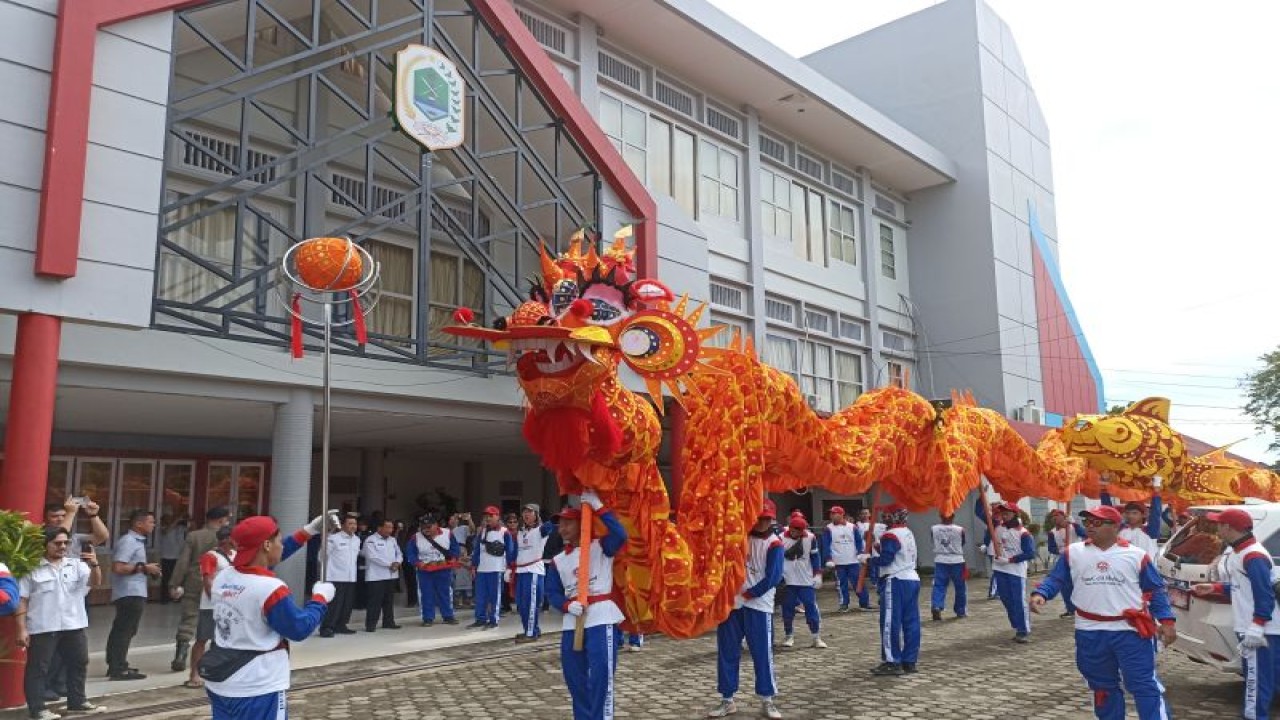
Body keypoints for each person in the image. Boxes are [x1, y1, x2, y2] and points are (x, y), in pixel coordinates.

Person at [1031, 505, 1177, 720]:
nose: (1090, 526)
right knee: (1102, 687)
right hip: (1090, 630)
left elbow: (1155, 590)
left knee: (1142, 684)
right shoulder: (1074, 553)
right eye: (1087, 522)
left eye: (1097, 522)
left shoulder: (1136, 555)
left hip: (1129, 631)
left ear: (1115, 526)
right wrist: (1042, 593)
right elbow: (1056, 578)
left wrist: (1167, 621)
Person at [200, 516, 335, 719]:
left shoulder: (223, 577)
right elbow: (299, 628)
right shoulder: (271, 589)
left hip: (221, 682)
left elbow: (262, 562)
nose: (282, 546)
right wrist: (320, 599)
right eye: (279, 541)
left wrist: (308, 531)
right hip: (258, 686)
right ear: (266, 545)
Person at [545, 492, 628, 720]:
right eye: (560, 524)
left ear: (582, 523)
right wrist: (566, 605)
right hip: (573, 621)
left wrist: (599, 507)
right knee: (575, 678)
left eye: (568, 523)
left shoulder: (601, 547)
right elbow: (551, 592)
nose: (562, 528)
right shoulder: (558, 560)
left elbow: (620, 534)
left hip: (600, 616)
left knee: (601, 675)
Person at [1191, 508, 1278, 720]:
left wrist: (1257, 627)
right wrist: (1215, 588)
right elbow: (1244, 587)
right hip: (1252, 626)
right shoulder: (1239, 552)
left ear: (1228, 527)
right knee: (1259, 678)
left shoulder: (1253, 555)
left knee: (1256, 681)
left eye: (1219, 525)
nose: (1217, 529)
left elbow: (1264, 594)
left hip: (1260, 629)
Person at [707, 499, 784, 719]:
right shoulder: (738, 537)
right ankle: (727, 699)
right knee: (727, 652)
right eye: (759, 518)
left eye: (766, 519)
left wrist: (748, 595)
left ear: (772, 520)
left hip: (758, 606)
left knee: (762, 654)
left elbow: (773, 577)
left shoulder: (775, 544)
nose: (762, 522)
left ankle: (767, 699)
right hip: (731, 605)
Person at [15, 527, 103, 719]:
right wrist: (21, 629)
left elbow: (95, 583)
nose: (62, 546)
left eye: (66, 543)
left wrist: (95, 564)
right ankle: (38, 709)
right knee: (38, 669)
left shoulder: (76, 565)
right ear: (45, 545)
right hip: (43, 626)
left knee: (79, 662)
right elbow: (22, 600)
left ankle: (77, 702)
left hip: (73, 624)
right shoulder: (32, 568)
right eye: (57, 543)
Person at [170, 506, 232, 672]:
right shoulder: (226, 538)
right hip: (217, 583)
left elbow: (183, 561)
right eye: (227, 519)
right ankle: (212, 658)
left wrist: (175, 583)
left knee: (188, 618)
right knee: (216, 620)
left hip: (194, 580)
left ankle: (181, 655)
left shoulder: (194, 535)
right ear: (221, 520)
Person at [106, 509, 160, 681]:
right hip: (129, 592)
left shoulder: (137, 541)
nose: (153, 525)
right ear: (138, 523)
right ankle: (118, 668)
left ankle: (116, 663)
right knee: (124, 630)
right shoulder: (129, 541)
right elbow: (118, 567)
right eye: (150, 522)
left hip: (135, 591)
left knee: (126, 629)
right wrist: (144, 568)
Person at [869, 505, 922, 677]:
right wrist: (879, 548)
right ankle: (909, 660)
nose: (884, 518)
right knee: (911, 622)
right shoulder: (908, 532)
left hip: (895, 579)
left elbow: (886, 559)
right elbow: (899, 553)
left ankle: (892, 661)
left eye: (886, 515)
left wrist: (868, 560)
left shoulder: (890, 534)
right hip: (912, 578)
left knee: (890, 622)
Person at [185, 526, 234, 690]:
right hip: (210, 605)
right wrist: (215, 599)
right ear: (226, 539)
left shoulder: (235, 555)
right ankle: (194, 673)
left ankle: (218, 672)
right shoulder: (211, 556)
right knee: (202, 639)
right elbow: (208, 579)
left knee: (222, 640)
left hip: (229, 605)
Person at [989, 502, 1037, 643]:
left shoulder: (1024, 533)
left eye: (1007, 513)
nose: (1004, 515)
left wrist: (1010, 560)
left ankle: (1022, 630)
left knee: (1018, 600)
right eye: (1002, 512)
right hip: (999, 568)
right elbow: (982, 514)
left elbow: (1030, 553)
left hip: (1016, 571)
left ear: (1015, 514)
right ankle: (1017, 624)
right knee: (1006, 599)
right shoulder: (997, 528)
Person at [779, 515, 826, 649]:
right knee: (787, 609)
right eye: (795, 530)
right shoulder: (781, 537)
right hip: (787, 580)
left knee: (811, 607)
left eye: (800, 530)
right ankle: (789, 635)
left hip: (805, 580)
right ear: (790, 528)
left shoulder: (810, 538)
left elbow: (815, 556)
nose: (797, 533)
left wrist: (817, 574)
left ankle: (816, 636)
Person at [405, 515, 459, 627]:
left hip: (443, 569)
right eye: (423, 527)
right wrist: (417, 563)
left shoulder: (447, 533)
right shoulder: (415, 537)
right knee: (426, 594)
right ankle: (428, 618)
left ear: (436, 525)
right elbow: (410, 553)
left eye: (429, 526)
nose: (426, 529)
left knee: (445, 593)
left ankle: (448, 616)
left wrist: (454, 558)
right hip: (425, 570)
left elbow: (455, 548)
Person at [513, 503, 554, 643]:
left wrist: (549, 517)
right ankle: (530, 629)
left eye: (530, 512)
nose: (526, 514)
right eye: (524, 511)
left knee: (530, 603)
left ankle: (531, 633)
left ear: (536, 515)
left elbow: (551, 525)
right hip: (521, 570)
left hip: (533, 571)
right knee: (521, 604)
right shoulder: (521, 531)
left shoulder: (541, 530)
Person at [470, 506, 515, 629]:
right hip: (482, 569)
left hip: (496, 569)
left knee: (495, 596)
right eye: (486, 516)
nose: (488, 518)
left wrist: (510, 567)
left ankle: (493, 620)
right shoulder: (482, 531)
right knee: (480, 596)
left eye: (491, 515)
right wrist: (474, 565)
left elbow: (510, 551)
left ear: (497, 516)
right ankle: (480, 619)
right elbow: (477, 550)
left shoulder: (504, 532)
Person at [319, 514, 361, 637]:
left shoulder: (357, 540)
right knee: (334, 605)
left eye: (355, 524)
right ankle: (326, 627)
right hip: (335, 576)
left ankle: (341, 625)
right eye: (350, 523)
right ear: (342, 525)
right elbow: (321, 556)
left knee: (347, 604)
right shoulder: (333, 539)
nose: (353, 526)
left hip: (351, 577)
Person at [361, 519, 403, 632]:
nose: (390, 530)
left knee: (389, 601)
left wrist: (397, 562)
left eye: (391, 528)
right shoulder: (371, 540)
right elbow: (372, 556)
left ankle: (388, 622)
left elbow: (399, 553)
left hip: (391, 575)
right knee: (375, 602)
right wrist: (390, 564)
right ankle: (370, 625)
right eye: (387, 527)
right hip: (376, 576)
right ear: (379, 528)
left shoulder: (393, 540)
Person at [820, 506, 864, 613]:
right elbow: (825, 545)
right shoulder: (828, 528)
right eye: (831, 513)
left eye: (834, 513)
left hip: (853, 560)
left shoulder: (852, 527)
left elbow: (859, 541)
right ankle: (844, 604)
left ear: (841, 514)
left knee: (858, 582)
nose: (831, 515)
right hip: (838, 562)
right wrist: (828, 558)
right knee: (841, 584)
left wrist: (860, 553)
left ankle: (864, 603)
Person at [1046, 509, 1086, 618]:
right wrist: (1061, 551)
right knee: (1065, 586)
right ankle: (1071, 609)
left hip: (1078, 558)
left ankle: (1083, 608)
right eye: (1053, 516)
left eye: (1057, 515)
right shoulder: (1052, 532)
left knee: (1081, 583)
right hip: (1064, 559)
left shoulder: (1073, 527)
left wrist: (1074, 524)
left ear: (1063, 516)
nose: (1055, 518)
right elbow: (1051, 547)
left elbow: (1085, 534)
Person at [929, 513, 967, 621]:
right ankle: (960, 611)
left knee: (939, 585)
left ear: (940, 516)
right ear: (953, 516)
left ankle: (937, 606)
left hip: (941, 559)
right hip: (957, 560)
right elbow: (962, 543)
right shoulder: (960, 529)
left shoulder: (934, 528)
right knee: (960, 587)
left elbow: (933, 541)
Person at [854, 508, 884, 610]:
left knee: (877, 570)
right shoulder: (857, 525)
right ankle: (864, 598)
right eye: (862, 513)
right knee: (864, 570)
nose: (864, 515)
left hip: (875, 550)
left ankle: (877, 586)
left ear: (870, 514)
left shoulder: (876, 525)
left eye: (866, 513)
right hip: (864, 551)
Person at [158, 514, 188, 603]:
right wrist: (177, 520)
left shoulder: (179, 528)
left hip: (178, 557)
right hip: (166, 557)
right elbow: (167, 531)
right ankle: (164, 598)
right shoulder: (162, 528)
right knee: (166, 579)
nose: (170, 520)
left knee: (178, 578)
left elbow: (191, 530)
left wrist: (188, 520)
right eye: (167, 519)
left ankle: (177, 597)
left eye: (171, 519)